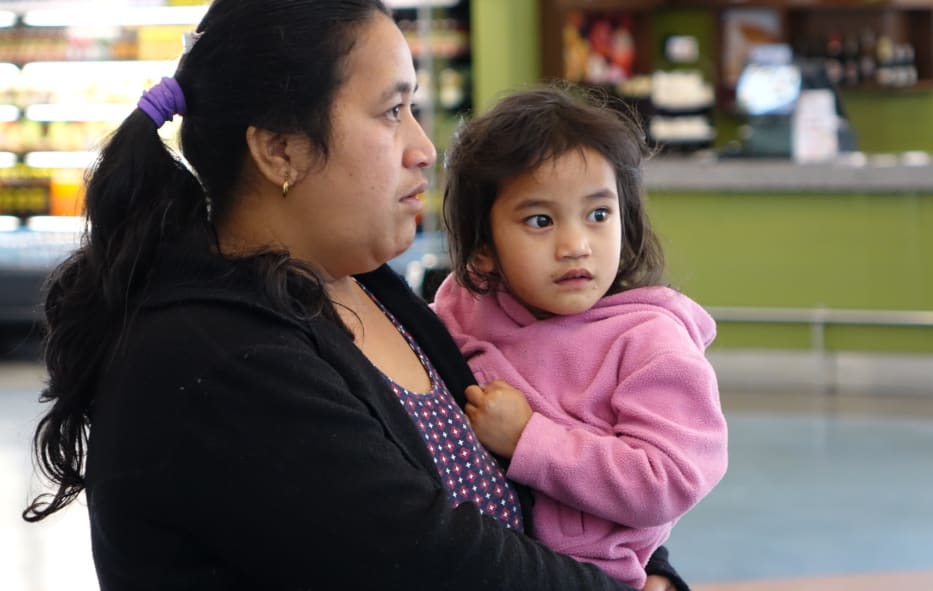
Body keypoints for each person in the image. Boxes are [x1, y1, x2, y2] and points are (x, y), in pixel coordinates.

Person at [21, 2, 691, 589]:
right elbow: (434, 562)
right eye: (393, 111)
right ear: (280, 148)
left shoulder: (359, 280)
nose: (424, 148)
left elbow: (534, 452)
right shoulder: (217, 356)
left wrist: (646, 563)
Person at [432, 85, 728, 589]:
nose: (575, 246)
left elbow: (668, 478)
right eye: (540, 220)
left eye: (598, 214)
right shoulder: (465, 306)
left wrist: (530, 439)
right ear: (483, 249)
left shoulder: (648, 340)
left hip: (596, 575)